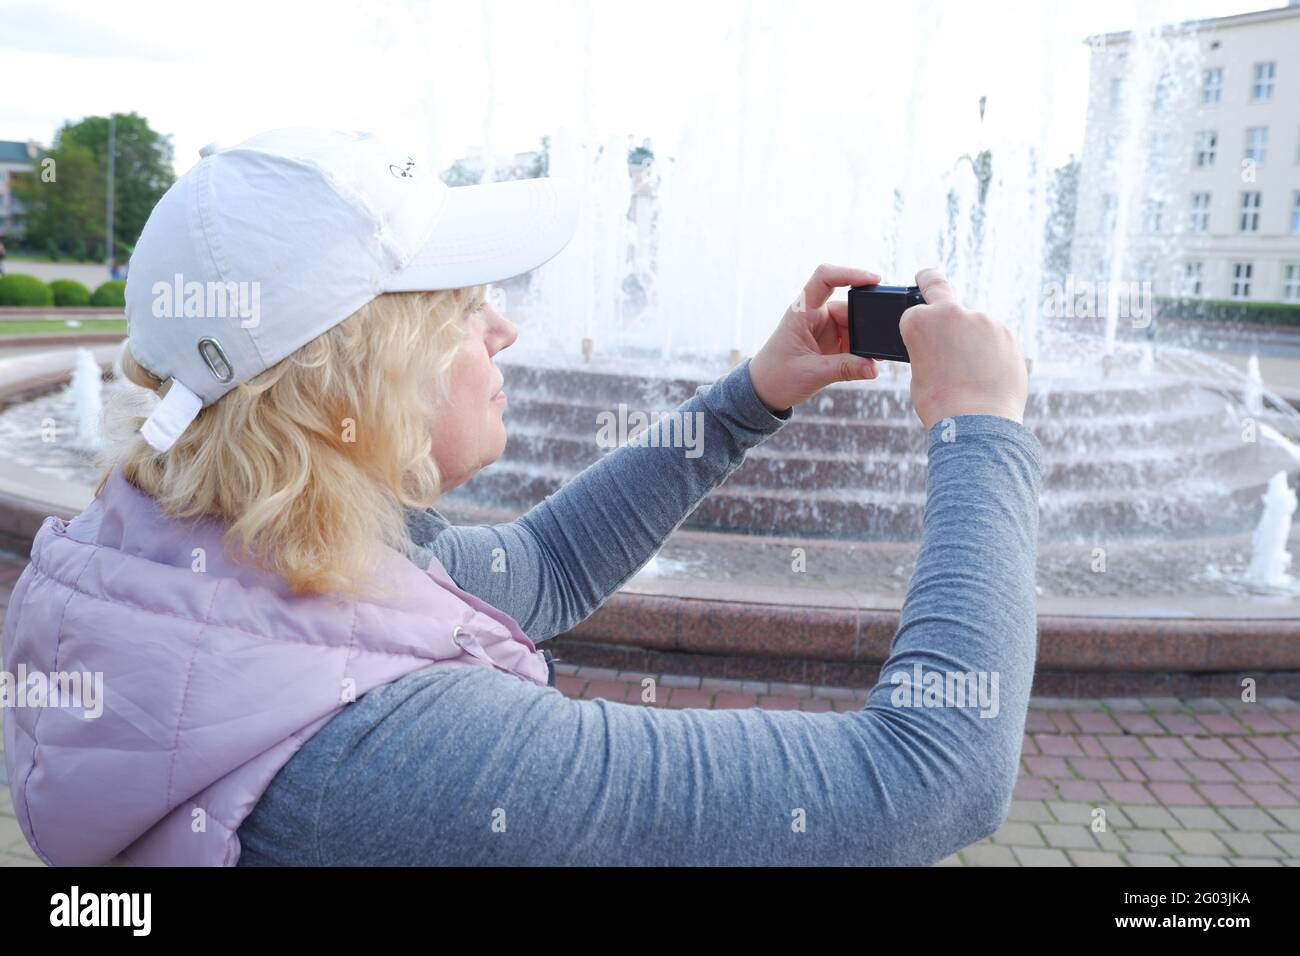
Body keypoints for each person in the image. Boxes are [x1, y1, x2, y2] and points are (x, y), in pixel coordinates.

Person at [0, 127, 1040, 867]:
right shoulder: (401, 758)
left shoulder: (196, 562)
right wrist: (979, 425)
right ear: (353, 369)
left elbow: (536, 568)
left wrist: (747, 398)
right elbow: (926, 778)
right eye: (465, 305)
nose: (503, 330)